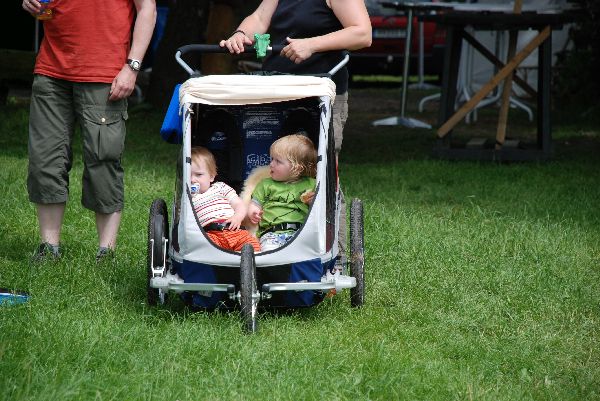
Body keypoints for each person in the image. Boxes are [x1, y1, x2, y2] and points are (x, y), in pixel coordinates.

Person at [220, 0, 371, 264]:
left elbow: (362, 33)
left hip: (321, 93)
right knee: (276, 166)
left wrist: (311, 44)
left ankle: (335, 256)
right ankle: (271, 242)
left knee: (320, 172)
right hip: (278, 91)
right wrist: (241, 35)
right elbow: (259, 18)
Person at [22, 0, 157, 261]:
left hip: (105, 73)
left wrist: (132, 67)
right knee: (44, 161)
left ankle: (106, 252)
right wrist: (35, 6)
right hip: (52, 70)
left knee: (103, 160)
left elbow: (147, 10)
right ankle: (49, 248)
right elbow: (48, 7)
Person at [247, 134, 317, 252]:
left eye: (278, 161)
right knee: (270, 255)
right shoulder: (266, 184)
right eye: (272, 159)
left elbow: (320, 212)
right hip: (271, 234)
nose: (271, 164)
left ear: (296, 168)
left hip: (301, 233)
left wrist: (313, 203)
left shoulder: (311, 184)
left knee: (304, 254)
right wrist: (253, 211)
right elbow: (255, 203)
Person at [191, 147, 261, 253]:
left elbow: (239, 204)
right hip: (210, 235)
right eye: (188, 175)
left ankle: (246, 264)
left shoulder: (220, 187)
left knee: (253, 247)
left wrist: (237, 217)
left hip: (235, 230)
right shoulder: (188, 198)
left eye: (198, 175)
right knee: (202, 250)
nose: (192, 180)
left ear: (211, 176)